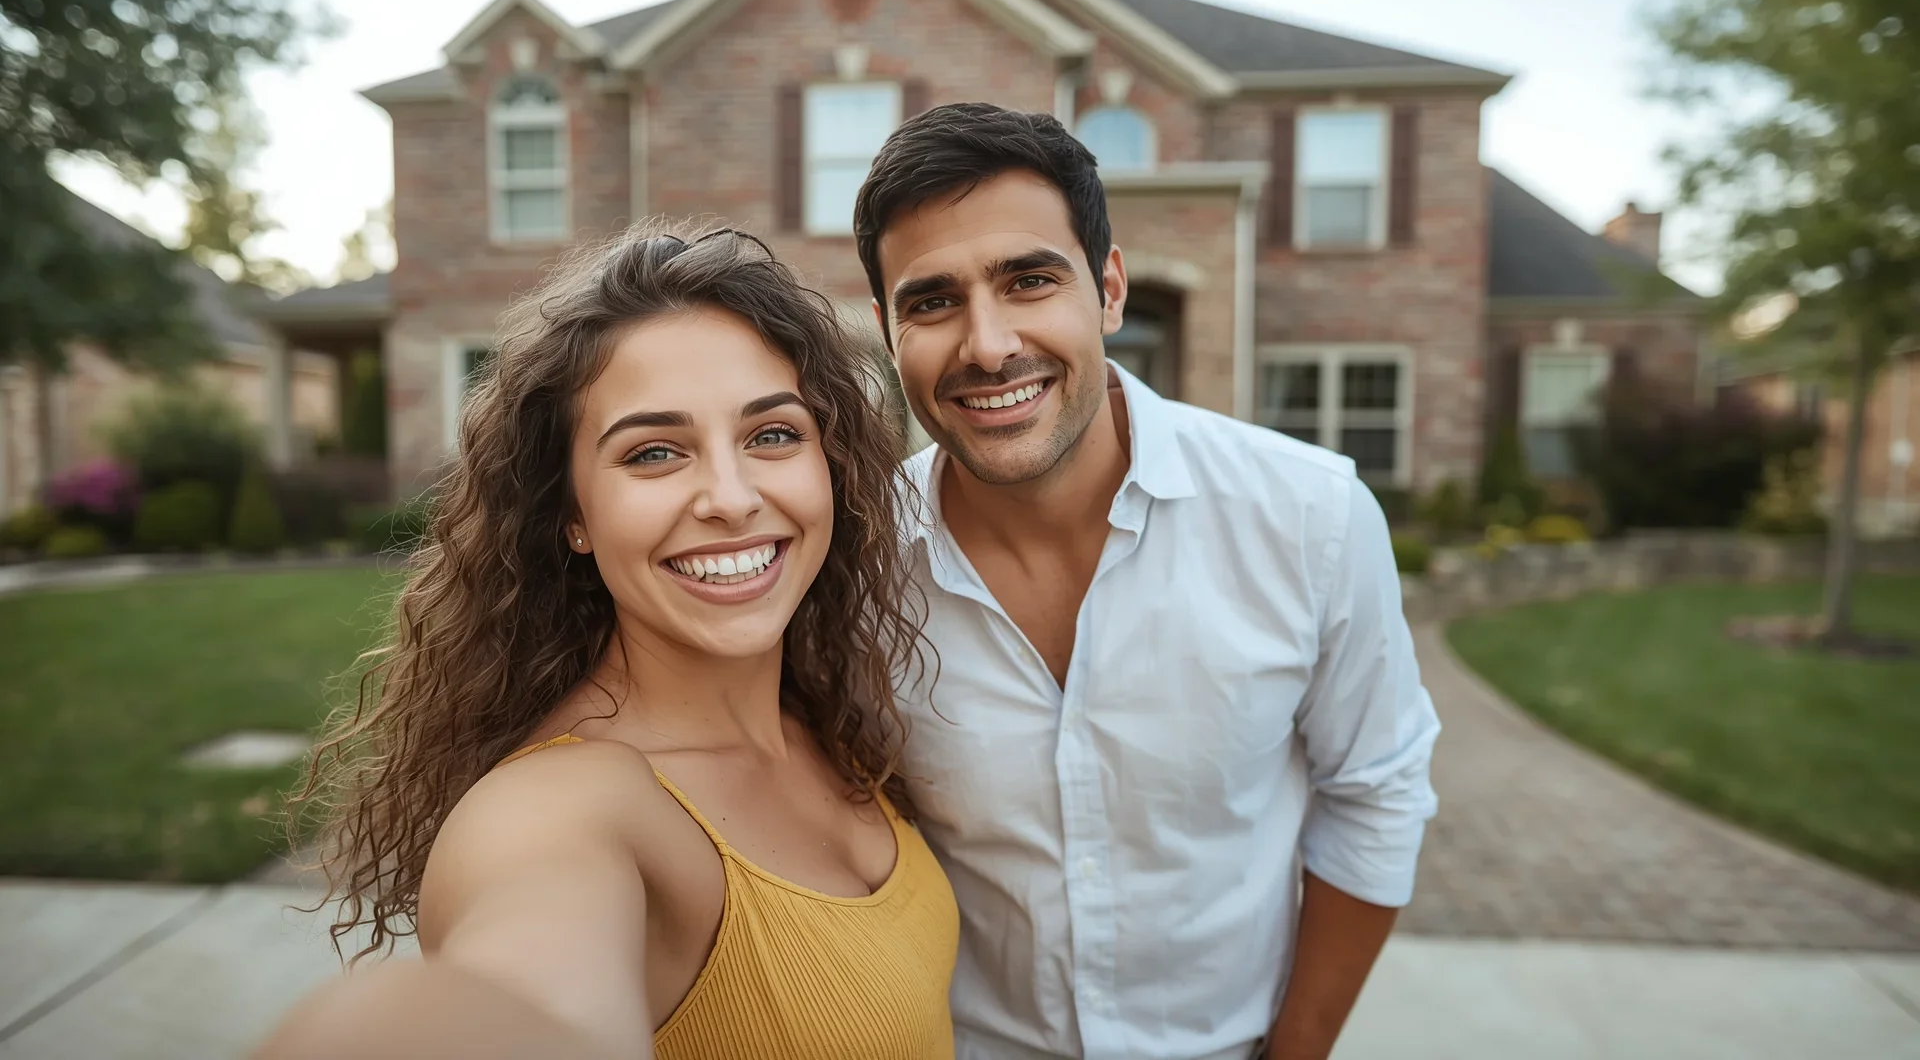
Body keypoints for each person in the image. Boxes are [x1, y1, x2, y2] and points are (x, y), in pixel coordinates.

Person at [256, 226, 958, 1060]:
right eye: (654, 452)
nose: (731, 499)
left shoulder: (835, 717)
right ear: (574, 516)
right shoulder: (560, 809)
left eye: (772, 435)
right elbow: (515, 994)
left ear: (830, 463)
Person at [853, 102, 1441, 1060]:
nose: (988, 344)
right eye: (932, 301)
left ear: (1109, 291)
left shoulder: (1309, 516)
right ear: (887, 330)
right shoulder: (853, 568)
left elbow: (1375, 793)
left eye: (1030, 280)